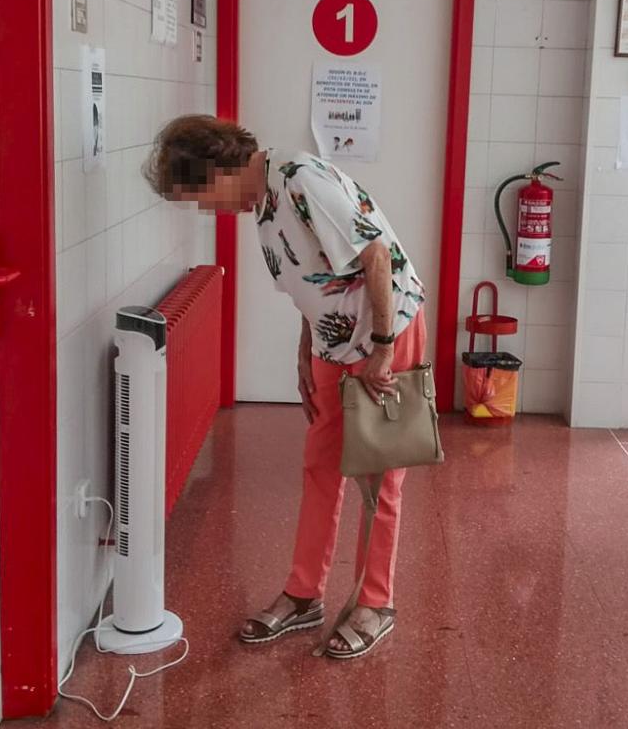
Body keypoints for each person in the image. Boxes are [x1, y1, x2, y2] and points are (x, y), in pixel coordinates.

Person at [145, 115, 428, 659]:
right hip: (332, 339)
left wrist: (385, 346)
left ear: (220, 168)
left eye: (201, 195)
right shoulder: (265, 198)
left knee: (380, 469)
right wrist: (306, 347)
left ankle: (376, 601)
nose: (208, 210)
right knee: (321, 464)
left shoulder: (299, 178)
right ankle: (305, 594)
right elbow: (316, 276)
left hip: (383, 329)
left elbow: (376, 256)